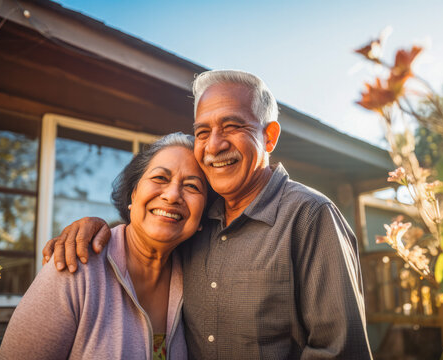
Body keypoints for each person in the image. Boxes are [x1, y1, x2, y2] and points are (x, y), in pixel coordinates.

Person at [44, 70, 373, 359]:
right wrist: (96, 228)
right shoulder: (198, 220)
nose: (214, 145)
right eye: (202, 131)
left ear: (269, 136)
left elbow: (339, 351)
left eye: (232, 126)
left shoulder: (310, 217)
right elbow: (151, 234)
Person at [0, 133, 207, 360]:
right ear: (133, 194)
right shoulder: (76, 266)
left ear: (202, 217)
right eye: (159, 178)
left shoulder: (199, 279)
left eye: (192, 186)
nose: (172, 195)